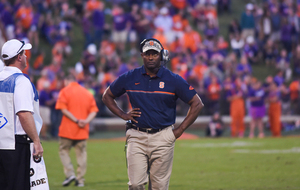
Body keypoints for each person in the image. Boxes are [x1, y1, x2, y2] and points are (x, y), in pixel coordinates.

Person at [102, 38, 204, 190]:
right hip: (136, 136)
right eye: (147, 54)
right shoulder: (130, 77)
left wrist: (179, 130)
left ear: (161, 55)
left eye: (154, 54)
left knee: (159, 187)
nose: (150, 57)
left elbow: (197, 103)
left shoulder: (173, 79)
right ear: (142, 56)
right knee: (135, 185)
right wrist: (123, 115)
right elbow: (107, 96)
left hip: (163, 136)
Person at [0, 39, 43, 190]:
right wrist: (36, 141)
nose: (26, 56)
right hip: (17, 143)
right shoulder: (21, 81)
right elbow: (24, 114)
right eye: (24, 53)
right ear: (19, 57)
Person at [55, 74, 98, 187]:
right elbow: (93, 111)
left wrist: (76, 120)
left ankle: (70, 174)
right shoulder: (87, 92)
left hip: (67, 129)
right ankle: (80, 180)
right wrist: (85, 121)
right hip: (82, 130)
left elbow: (63, 109)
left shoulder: (64, 91)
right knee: (81, 155)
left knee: (63, 151)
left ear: (67, 80)